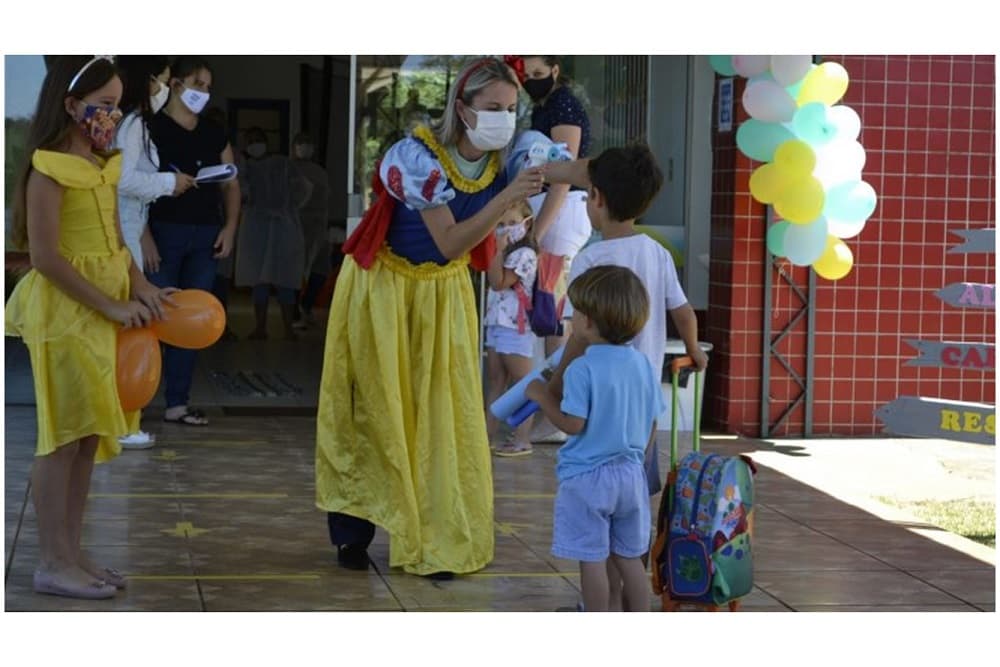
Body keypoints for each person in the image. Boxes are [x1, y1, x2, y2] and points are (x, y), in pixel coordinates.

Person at [316, 57, 545, 579]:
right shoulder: (414, 157)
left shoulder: (505, 158)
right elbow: (450, 242)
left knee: (443, 413)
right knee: (373, 408)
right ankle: (353, 534)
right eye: (493, 109)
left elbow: (560, 168)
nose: (504, 118)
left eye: (511, 109)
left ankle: (439, 535)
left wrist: (604, 172)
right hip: (384, 290)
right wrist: (509, 197)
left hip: (443, 297)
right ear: (462, 110)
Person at [5, 55, 177, 599]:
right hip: (67, 313)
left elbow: (116, 241)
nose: (111, 115)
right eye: (102, 105)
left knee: (84, 439)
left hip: (101, 310)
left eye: (117, 105)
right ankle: (52, 561)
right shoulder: (49, 166)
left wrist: (141, 288)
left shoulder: (104, 163)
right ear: (71, 105)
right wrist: (108, 304)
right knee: (60, 439)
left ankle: (72, 551)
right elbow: (48, 258)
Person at [543, 144, 709, 609]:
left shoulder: (592, 262)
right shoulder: (656, 252)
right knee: (626, 532)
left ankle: (600, 610)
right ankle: (626, 611)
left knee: (594, 535)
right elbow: (682, 311)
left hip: (597, 411)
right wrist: (694, 351)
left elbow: (578, 337)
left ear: (594, 197)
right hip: (640, 415)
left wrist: (553, 384)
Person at [525, 265, 664, 612]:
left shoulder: (582, 369)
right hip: (631, 476)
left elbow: (573, 424)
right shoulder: (643, 365)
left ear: (587, 322)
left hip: (587, 478)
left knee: (593, 560)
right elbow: (651, 422)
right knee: (630, 559)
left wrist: (542, 397)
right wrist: (639, 461)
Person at [145, 56, 241, 426]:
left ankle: (177, 403)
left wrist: (230, 227)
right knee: (152, 317)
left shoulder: (214, 132)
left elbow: (231, 182)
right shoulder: (151, 129)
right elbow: (130, 189)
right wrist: (144, 237)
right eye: (197, 84)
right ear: (176, 84)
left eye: (207, 86)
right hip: (162, 234)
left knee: (190, 320)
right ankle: (133, 401)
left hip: (206, 236)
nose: (203, 92)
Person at [112, 55, 197, 449]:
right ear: (146, 82)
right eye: (163, 81)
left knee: (130, 321)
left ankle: (123, 416)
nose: (166, 89)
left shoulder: (135, 123)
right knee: (129, 322)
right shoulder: (130, 123)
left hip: (131, 224)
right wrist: (168, 183)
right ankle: (121, 417)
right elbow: (123, 179)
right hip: (124, 230)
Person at [514, 55, 594, 443]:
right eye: (526, 76)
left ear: (556, 71)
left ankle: (558, 411)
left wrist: (535, 233)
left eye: (539, 75)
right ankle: (551, 409)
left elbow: (564, 176)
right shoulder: (544, 104)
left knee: (553, 316)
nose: (532, 82)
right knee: (547, 316)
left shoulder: (564, 107)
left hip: (558, 218)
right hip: (548, 215)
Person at [234, 126, 312, 340]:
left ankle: (288, 328)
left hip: (282, 227)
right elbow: (239, 193)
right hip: (256, 228)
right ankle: (260, 327)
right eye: (251, 140)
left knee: (285, 278)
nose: (255, 144)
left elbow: (304, 188)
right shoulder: (245, 168)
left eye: (258, 139)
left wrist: (289, 208)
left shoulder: (283, 164)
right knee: (259, 280)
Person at [484, 199, 538, 457]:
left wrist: (495, 250)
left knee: (526, 385)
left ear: (526, 225)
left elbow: (499, 282)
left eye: (513, 223)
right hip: (495, 323)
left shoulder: (525, 255)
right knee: (496, 382)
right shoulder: (504, 251)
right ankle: (486, 437)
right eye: (501, 224)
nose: (506, 229)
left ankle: (522, 439)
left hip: (514, 328)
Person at [289, 131, 331, 330]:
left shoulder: (320, 171)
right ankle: (294, 311)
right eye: (300, 143)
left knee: (321, 268)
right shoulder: (289, 169)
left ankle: (306, 305)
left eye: (308, 144)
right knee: (295, 270)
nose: (304, 147)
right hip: (295, 225)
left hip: (318, 225)